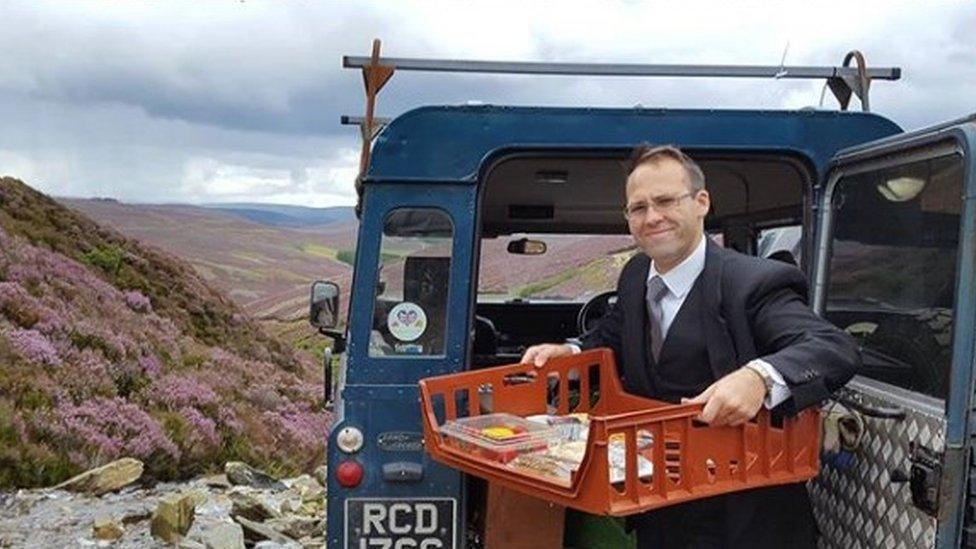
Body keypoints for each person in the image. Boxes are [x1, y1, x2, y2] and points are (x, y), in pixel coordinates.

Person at [520, 144, 859, 549]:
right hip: (659, 507)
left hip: (745, 520)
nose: (652, 217)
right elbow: (613, 333)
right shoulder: (635, 275)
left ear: (701, 202)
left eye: (665, 201)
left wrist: (759, 377)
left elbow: (830, 346)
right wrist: (572, 351)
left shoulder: (754, 283)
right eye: (638, 208)